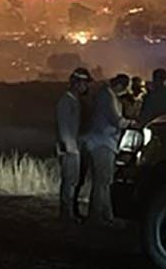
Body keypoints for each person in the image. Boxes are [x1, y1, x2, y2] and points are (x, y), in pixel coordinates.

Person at [81, 72, 131, 225]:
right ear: (120, 86)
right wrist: (130, 123)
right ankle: (96, 217)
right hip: (102, 143)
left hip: (101, 142)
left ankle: (106, 215)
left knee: (104, 181)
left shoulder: (104, 94)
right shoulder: (108, 97)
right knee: (101, 181)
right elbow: (116, 120)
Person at [55, 68, 91, 223]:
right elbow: (63, 126)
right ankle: (66, 215)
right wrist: (70, 147)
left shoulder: (73, 100)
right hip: (70, 148)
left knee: (73, 181)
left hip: (73, 146)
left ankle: (70, 212)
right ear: (77, 83)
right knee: (69, 181)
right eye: (84, 83)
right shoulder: (66, 101)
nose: (86, 87)